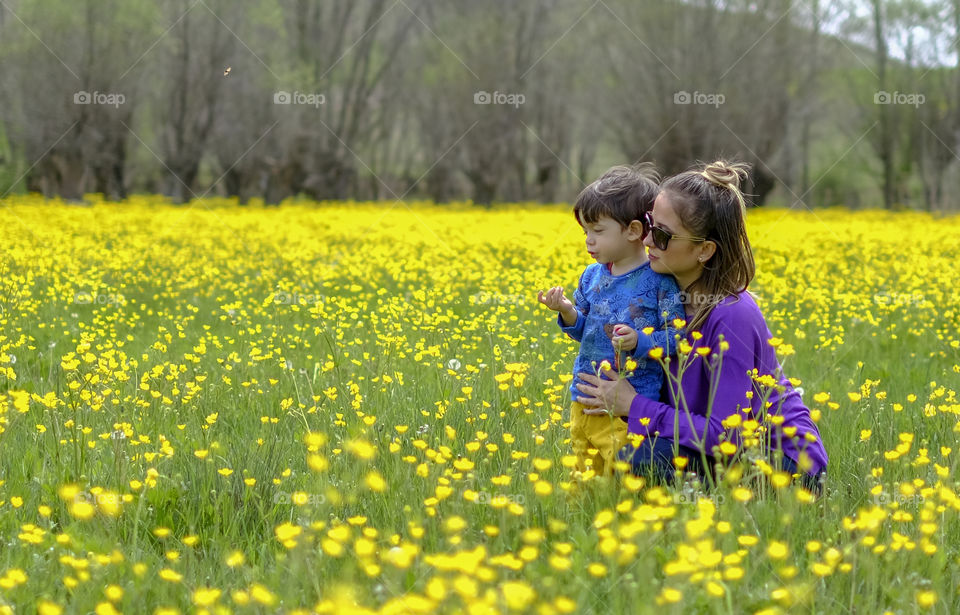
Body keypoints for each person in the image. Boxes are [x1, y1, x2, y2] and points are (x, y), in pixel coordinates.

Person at [574, 160, 828, 492]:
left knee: (647, 461)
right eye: (649, 224)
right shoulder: (662, 295)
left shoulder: (732, 314)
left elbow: (727, 435)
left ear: (704, 251)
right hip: (712, 443)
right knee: (636, 458)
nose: (647, 240)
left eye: (663, 235)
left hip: (783, 463)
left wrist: (633, 405)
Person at [538, 164, 684, 477]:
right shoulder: (591, 277)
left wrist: (640, 342)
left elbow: (678, 338)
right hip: (584, 401)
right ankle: (583, 521)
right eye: (585, 232)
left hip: (626, 407)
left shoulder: (660, 281)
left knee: (621, 476)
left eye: (598, 231)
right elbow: (584, 331)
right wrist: (566, 311)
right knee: (583, 475)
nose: (588, 241)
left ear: (633, 231)